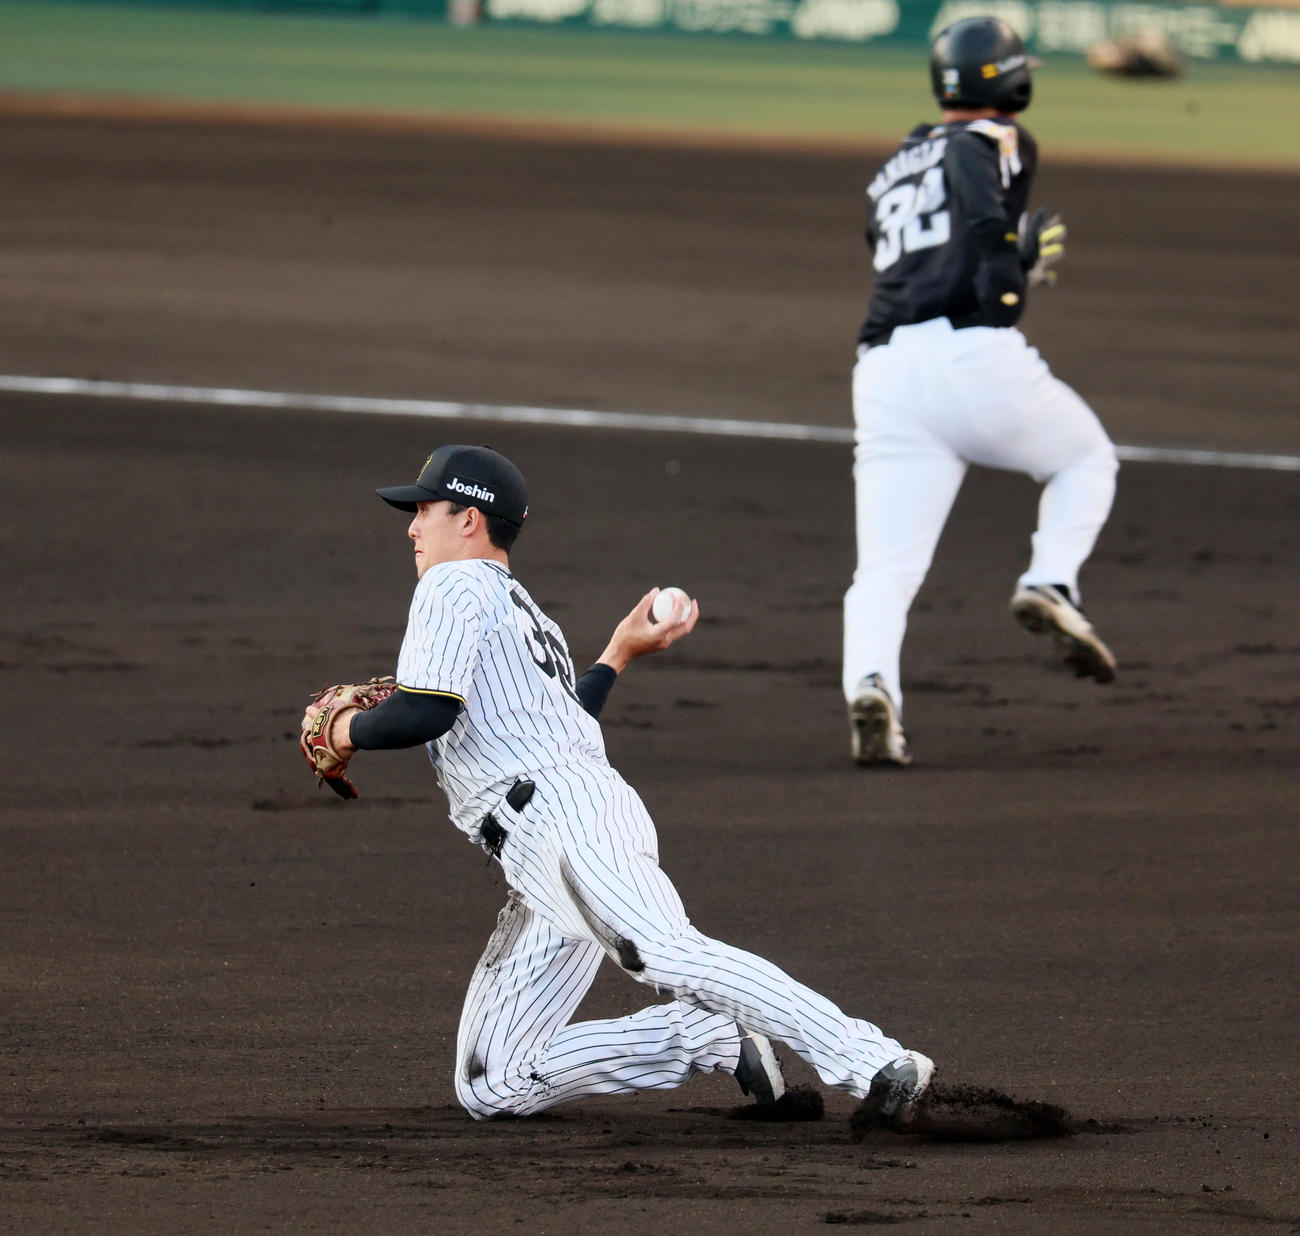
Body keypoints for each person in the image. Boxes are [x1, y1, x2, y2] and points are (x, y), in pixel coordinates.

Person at [302, 442, 934, 1128]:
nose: (412, 526)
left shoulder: (451, 586)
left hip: (564, 820)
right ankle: (705, 1037)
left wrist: (341, 735)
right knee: (494, 1083)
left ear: (470, 520)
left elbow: (426, 712)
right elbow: (558, 720)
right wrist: (616, 656)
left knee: (661, 950)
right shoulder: (518, 609)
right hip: (547, 845)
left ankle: (872, 1061)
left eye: (424, 508)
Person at [843, 16, 1120, 767]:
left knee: (885, 568)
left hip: (884, 372)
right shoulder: (998, 141)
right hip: (971, 354)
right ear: (1006, 78)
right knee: (1087, 459)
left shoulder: (893, 165)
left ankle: (872, 687)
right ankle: (1050, 581)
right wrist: (1010, 278)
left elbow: (904, 255)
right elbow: (980, 219)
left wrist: (1000, 263)